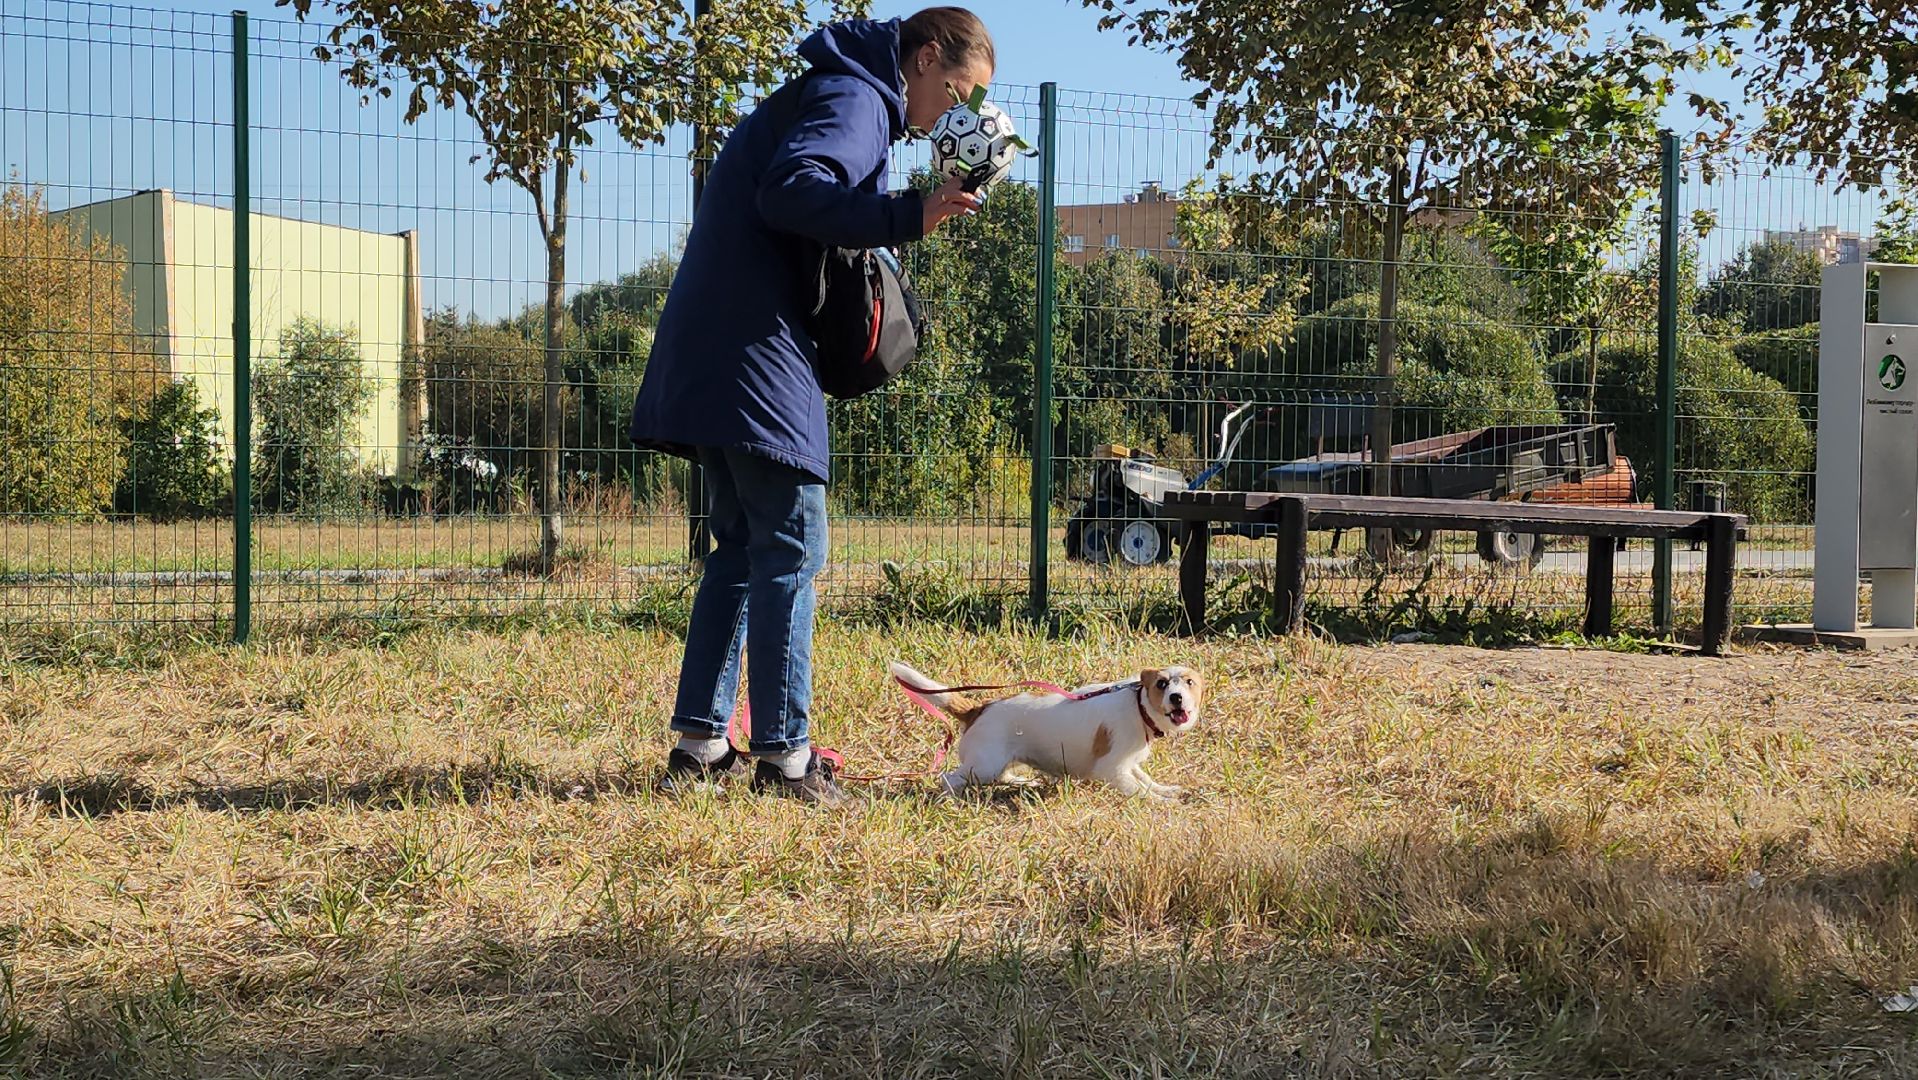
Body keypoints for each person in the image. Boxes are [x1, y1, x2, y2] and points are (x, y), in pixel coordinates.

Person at [629, 8, 995, 804]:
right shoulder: (858, 97)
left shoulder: (837, 89)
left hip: (715, 342)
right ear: (925, 59)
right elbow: (794, 190)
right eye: (958, 91)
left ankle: (700, 748)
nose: (957, 113)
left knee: (739, 551)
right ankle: (786, 762)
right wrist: (909, 214)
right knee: (793, 547)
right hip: (756, 347)